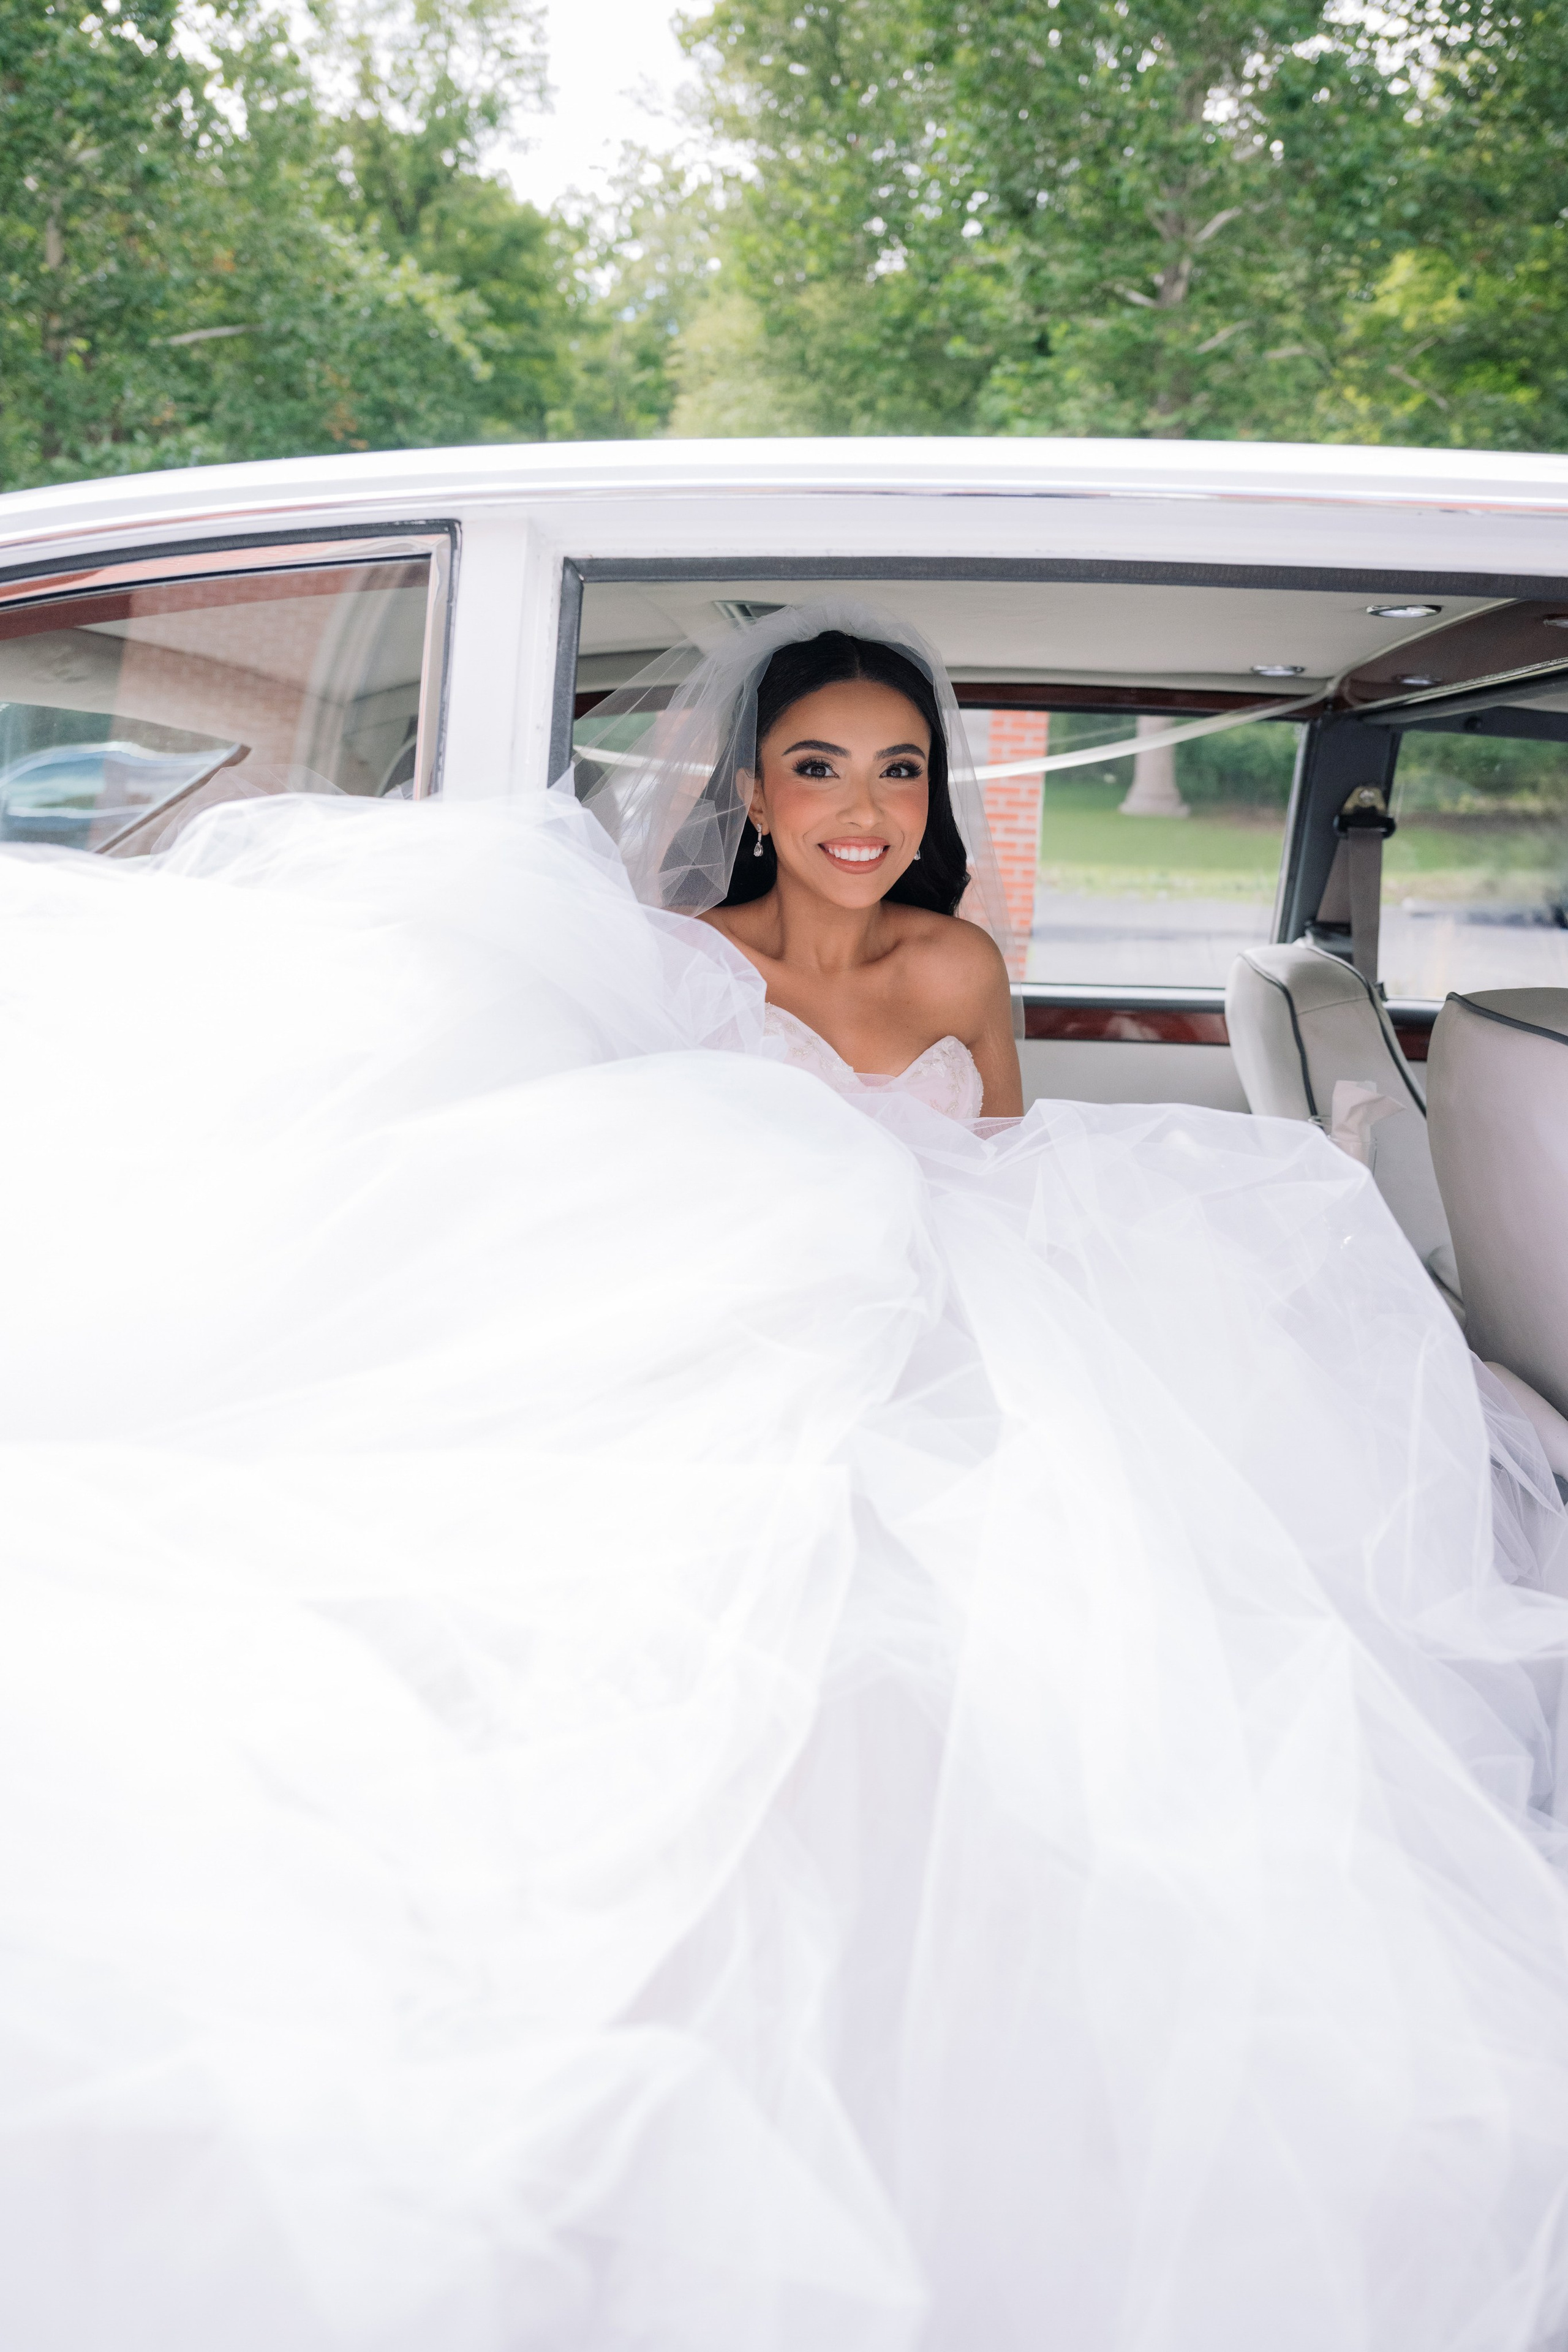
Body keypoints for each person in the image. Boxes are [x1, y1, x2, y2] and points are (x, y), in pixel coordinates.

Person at [3, 598, 1568, 2352]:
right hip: (744, 1330)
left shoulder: (957, 968)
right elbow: (624, 1196)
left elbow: (1000, 1175)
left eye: (900, 773)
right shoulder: (679, 964)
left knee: (1052, 1623)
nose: (862, 809)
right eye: (821, 767)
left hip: (952, 1318)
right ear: (752, 786)